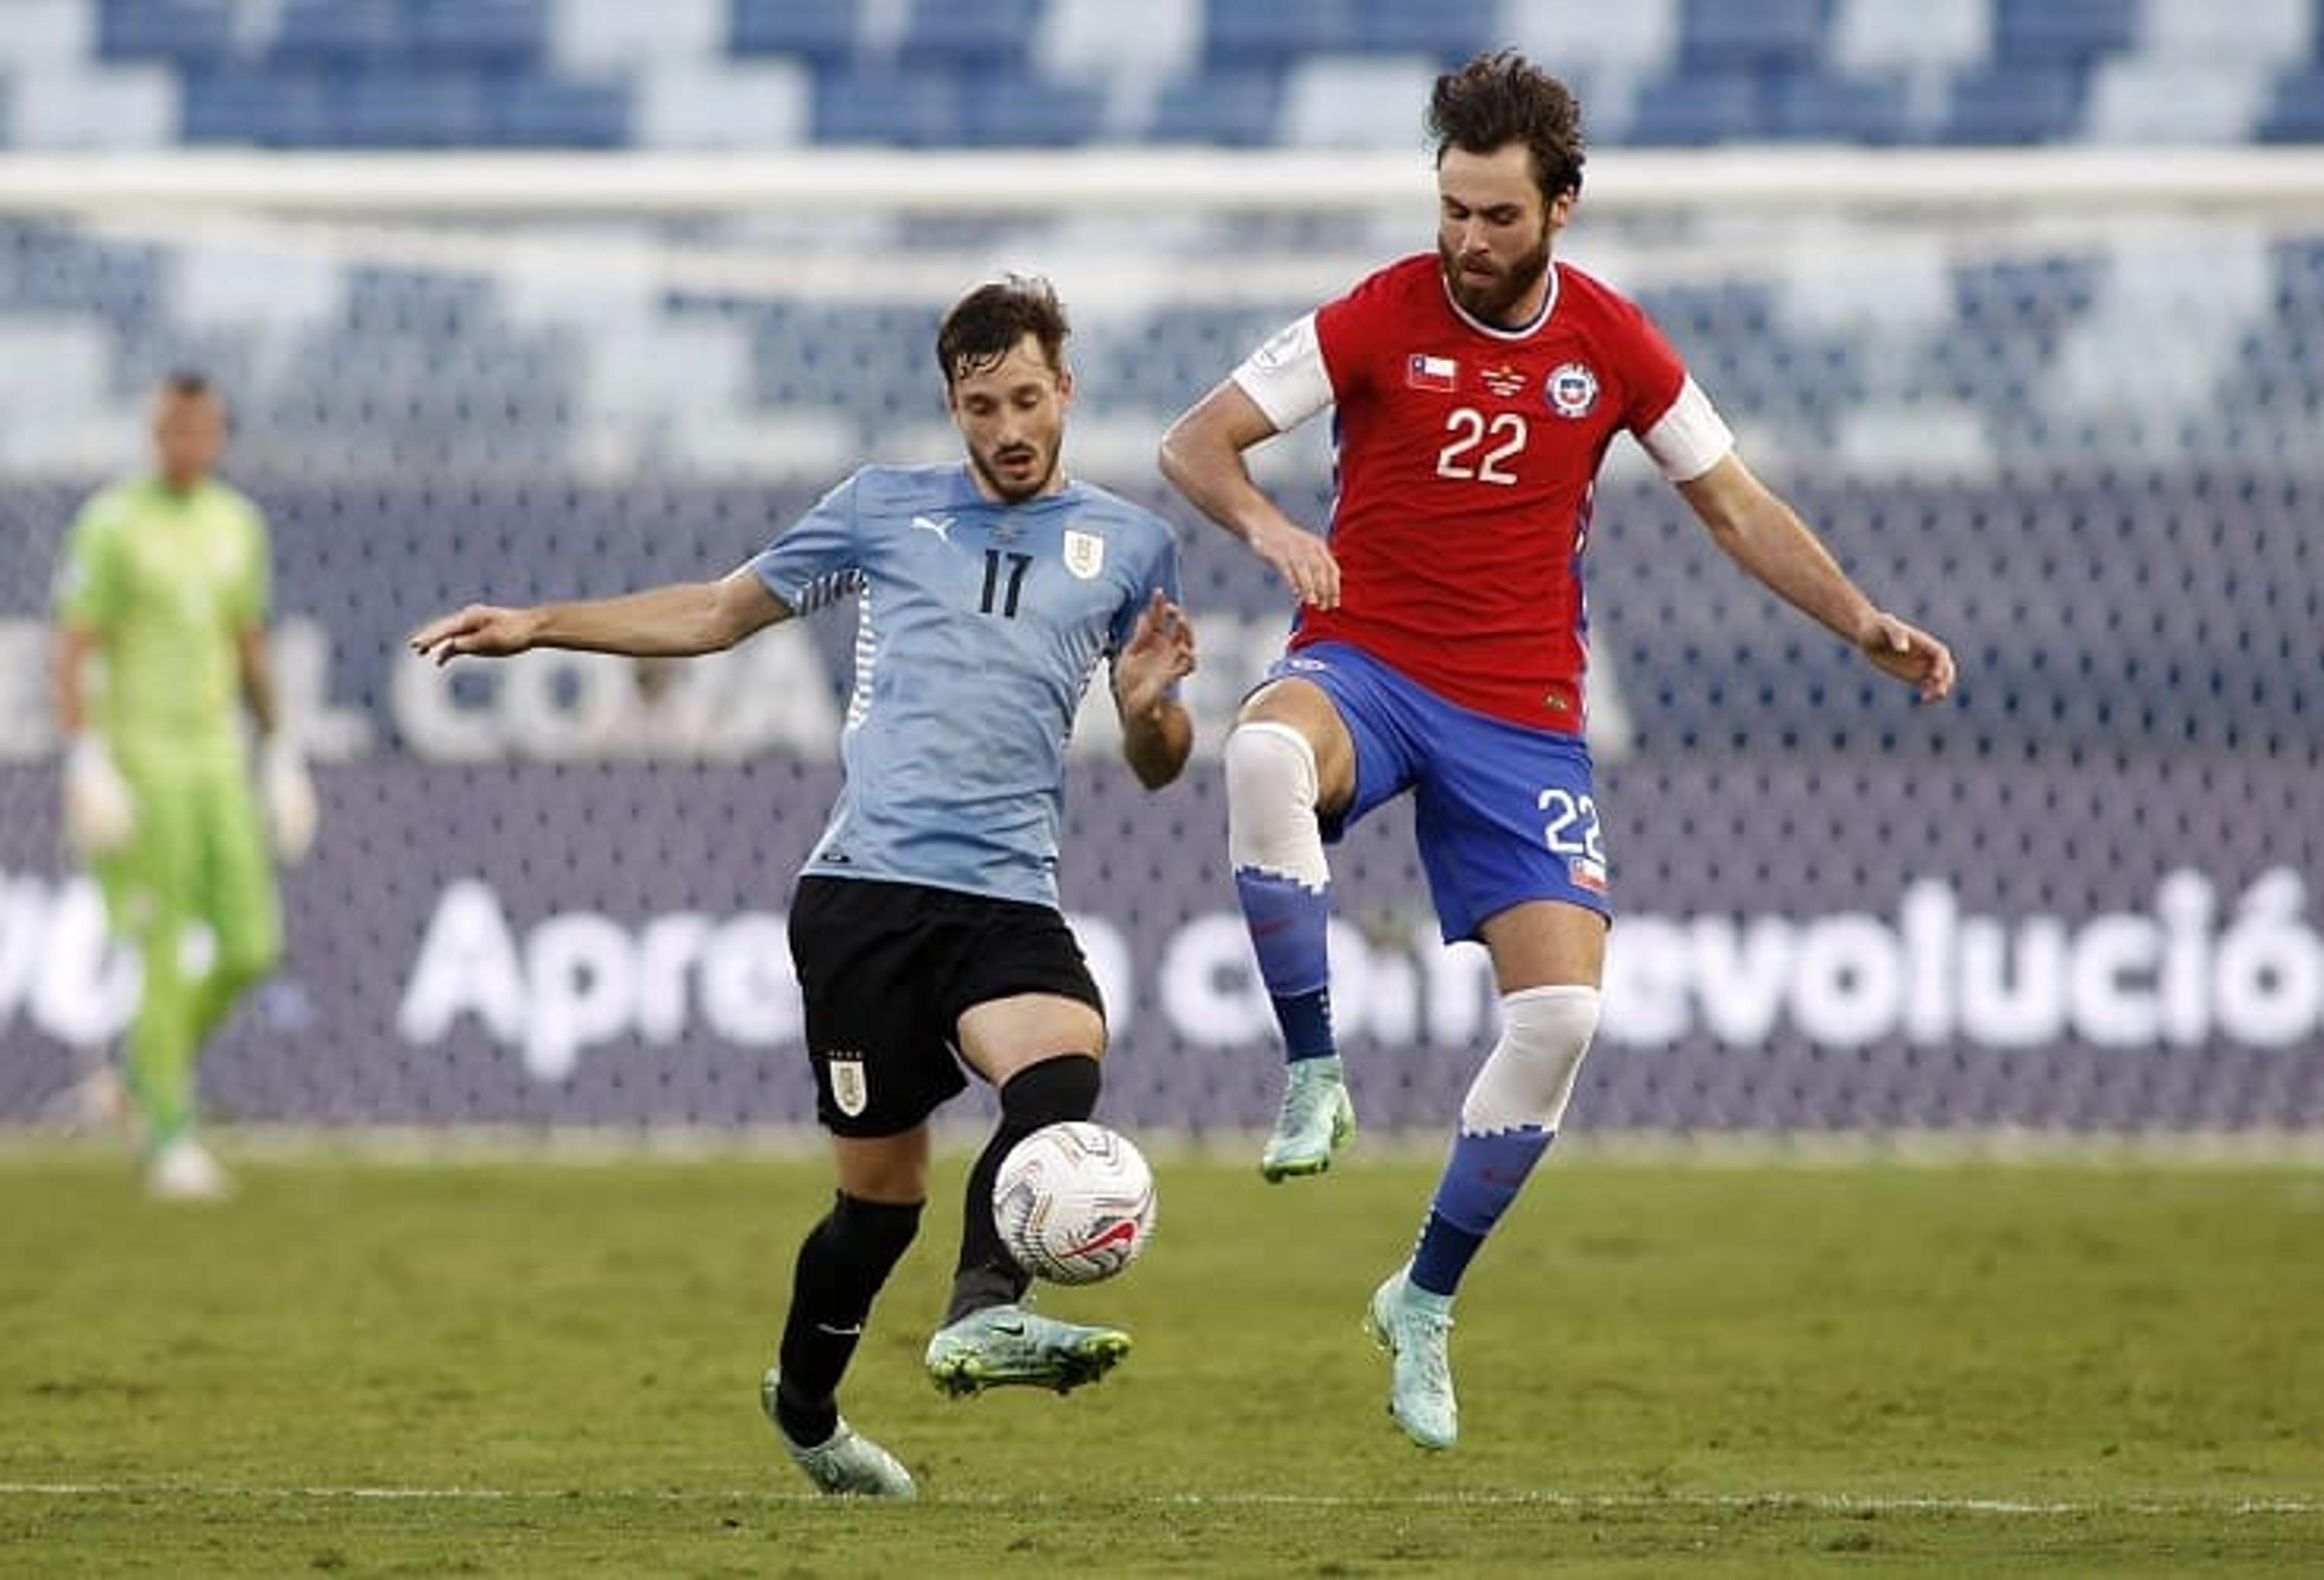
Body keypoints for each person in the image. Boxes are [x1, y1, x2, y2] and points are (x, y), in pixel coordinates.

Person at [1159, 51, 1956, 1452]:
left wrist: (1858, 620)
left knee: (1564, 1021)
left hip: (1521, 715)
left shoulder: (1617, 343)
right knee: (1262, 760)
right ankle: (1312, 1072)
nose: (1467, 242)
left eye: (1497, 217)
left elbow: (1734, 503)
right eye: (1453, 210)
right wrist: (1274, 530)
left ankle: (1422, 1296)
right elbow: (1194, 442)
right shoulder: (1375, 314)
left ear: (1562, 209)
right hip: (1367, 666)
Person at [409, 276, 1196, 1500]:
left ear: (1067, 389)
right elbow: (719, 614)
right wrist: (542, 624)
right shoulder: (882, 511)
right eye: (982, 404)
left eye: (1028, 397)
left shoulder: (1132, 544)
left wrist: (1151, 712)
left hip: (1009, 901)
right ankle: (809, 1409)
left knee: (1063, 1070)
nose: (1007, 427)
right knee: (877, 1206)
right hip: (865, 897)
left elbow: (1156, 763)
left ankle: (983, 1309)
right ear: (952, 405)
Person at [51, 371, 319, 1202]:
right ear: (152, 432)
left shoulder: (237, 524)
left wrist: (280, 754)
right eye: (171, 429)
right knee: (162, 955)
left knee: (250, 947)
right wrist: (84, 759)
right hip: (140, 770)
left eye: (199, 430)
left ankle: (136, 1074)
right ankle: (167, 1135)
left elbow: (249, 647)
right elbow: (72, 648)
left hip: (219, 766)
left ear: (220, 437)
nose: (185, 444)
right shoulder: (111, 524)